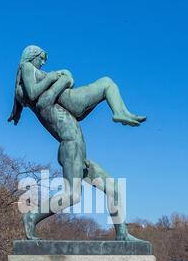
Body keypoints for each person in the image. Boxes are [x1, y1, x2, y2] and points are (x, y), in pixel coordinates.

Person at [8, 45, 146, 241]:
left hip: (79, 151)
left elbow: (78, 113)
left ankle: (122, 233)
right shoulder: (41, 100)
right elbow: (39, 96)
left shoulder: (51, 100)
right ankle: (31, 217)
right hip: (70, 147)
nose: (44, 65)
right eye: (41, 60)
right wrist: (61, 79)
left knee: (113, 187)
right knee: (72, 195)